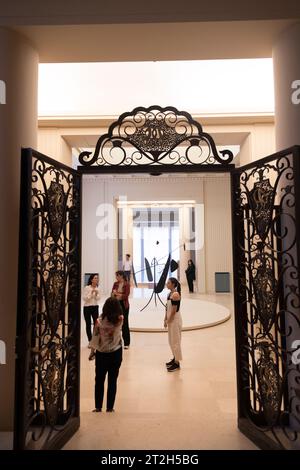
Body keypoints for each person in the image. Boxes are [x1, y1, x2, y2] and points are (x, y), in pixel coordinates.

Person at [89, 297, 124, 413]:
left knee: (99, 380)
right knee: (112, 380)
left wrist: (92, 352)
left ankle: (98, 406)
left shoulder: (99, 321)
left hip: (101, 353)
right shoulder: (120, 319)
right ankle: (110, 407)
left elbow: (95, 337)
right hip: (116, 352)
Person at [164, 277, 182, 372]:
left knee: (175, 341)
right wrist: (165, 319)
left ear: (173, 284)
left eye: (168, 282)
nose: (167, 284)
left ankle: (177, 363)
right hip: (170, 319)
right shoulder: (169, 294)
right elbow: (167, 308)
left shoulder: (175, 294)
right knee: (171, 341)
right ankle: (174, 358)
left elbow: (174, 310)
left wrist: (169, 320)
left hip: (175, 320)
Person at [111, 271, 131, 349]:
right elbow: (112, 294)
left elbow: (125, 296)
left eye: (117, 276)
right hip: (116, 304)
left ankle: (126, 343)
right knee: (115, 323)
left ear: (121, 276)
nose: (116, 277)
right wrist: (116, 294)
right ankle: (116, 342)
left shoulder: (126, 284)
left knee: (125, 323)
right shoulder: (115, 284)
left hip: (124, 305)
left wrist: (117, 294)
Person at [83, 273, 100, 343]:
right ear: (91, 280)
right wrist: (91, 293)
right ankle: (90, 340)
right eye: (95, 278)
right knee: (88, 324)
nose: (97, 279)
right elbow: (85, 298)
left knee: (96, 324)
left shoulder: (98, 288)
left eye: (97, 278)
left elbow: (98, 298)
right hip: (87, 307)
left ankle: (94, 340)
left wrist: (96, 294)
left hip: (95, 307)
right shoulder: (87, 288)